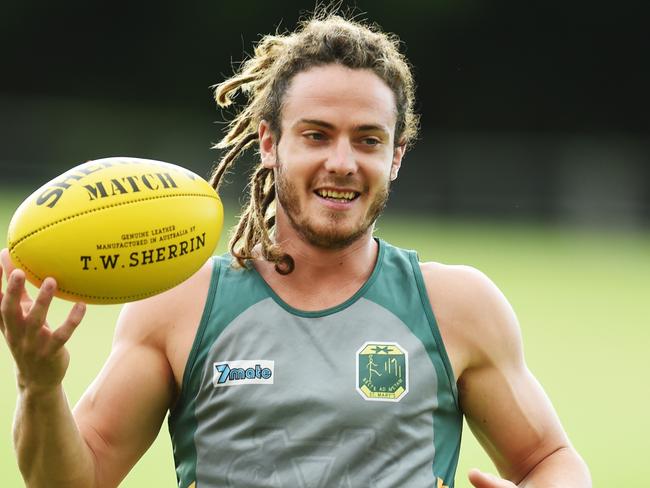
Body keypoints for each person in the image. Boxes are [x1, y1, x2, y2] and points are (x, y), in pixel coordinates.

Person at [0, 12, 591, 488]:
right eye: (316, 135)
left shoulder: (457, 305)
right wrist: (39, 384)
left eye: (368, 140)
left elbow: (551, 460)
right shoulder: (180, 302)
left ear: (398, 156)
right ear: (268, 143)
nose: (342, 161)